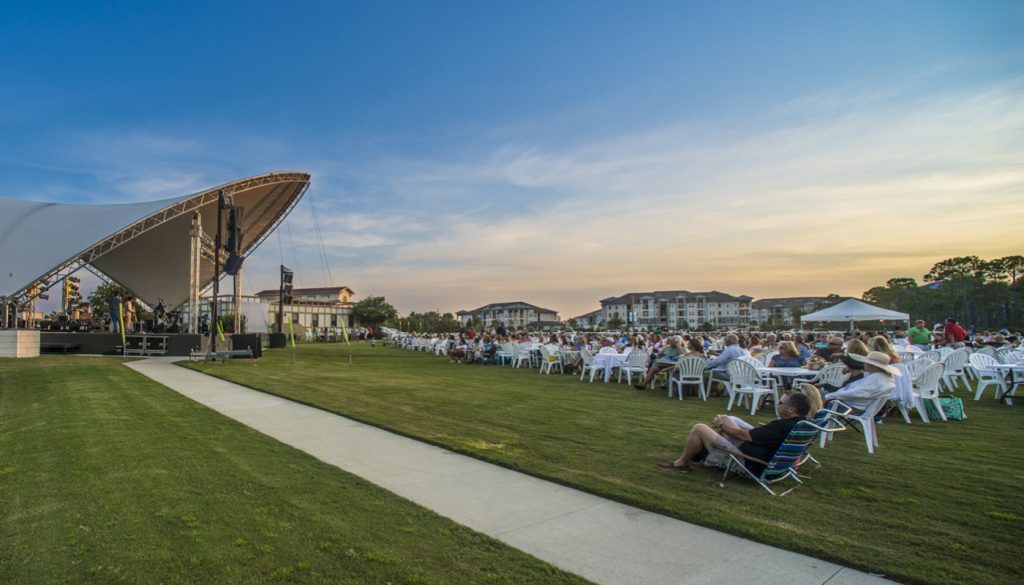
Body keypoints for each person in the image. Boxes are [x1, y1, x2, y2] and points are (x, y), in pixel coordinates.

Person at [656, 391, 811, 475]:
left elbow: (744, 436)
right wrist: (724, 424)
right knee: (724, 418)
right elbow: (756, 435)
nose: (778, 405)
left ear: (792, 409)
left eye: (781, 403)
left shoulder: (782, 425)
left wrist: (722, 426)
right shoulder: (801, 425)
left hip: (748, 461)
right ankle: (707, 459)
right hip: (762, 456)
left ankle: (683, 463)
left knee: (700, 427)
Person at [820, 351, 900, 414]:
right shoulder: (882, 378)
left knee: (813, 394)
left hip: (848, 407)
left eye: (865, 362)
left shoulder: (875, 379)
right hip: (853, 405)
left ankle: (812, 424)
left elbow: (857, 393)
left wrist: (829, 396)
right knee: (816, 393)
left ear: (871, 365)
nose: (863, 364)